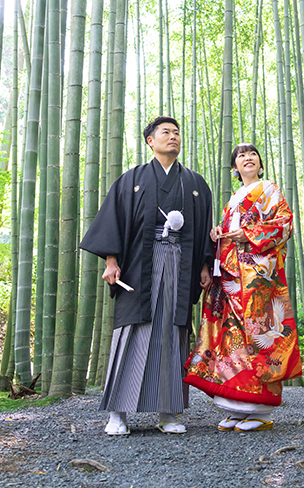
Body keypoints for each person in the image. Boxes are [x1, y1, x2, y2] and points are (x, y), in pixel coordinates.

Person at [79, 116, 213, 435]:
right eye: (166, 132)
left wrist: (206, 266)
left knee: (171, 333)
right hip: (140, 264)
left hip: (179, 265)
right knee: (132, 332)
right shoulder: (132, 179)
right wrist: (111, 261)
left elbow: (205, 227)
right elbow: (115, 221)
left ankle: (168, 413)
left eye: (177, 133)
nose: (173, 137)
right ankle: (118, 414)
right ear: (150, 141)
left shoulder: (195, 184)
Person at [184, 143, 302, 431]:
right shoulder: (232, 200)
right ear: (234, 169)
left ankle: (260, 411)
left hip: (258, 277)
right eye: (241, 156)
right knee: (231, 339)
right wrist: (217, 234)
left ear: (260, 164)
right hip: (229, 275)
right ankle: (236, 407)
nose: (248, 158)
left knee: (260, 336)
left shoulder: (270, 190)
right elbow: (229, 235)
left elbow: (284, 224)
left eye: (252, 155)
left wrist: (246, 234)